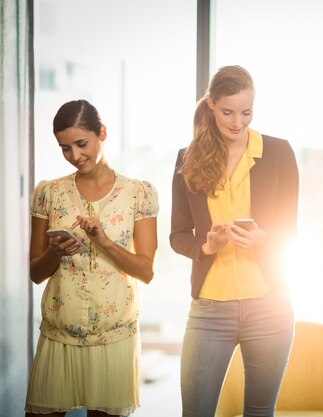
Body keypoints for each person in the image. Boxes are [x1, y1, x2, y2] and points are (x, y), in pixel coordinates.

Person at [170, 65, 299, 417]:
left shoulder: (278, 152)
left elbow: (291, 230)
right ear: (211, 105)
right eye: (228, 112)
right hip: (211, 308)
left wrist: (262, 238)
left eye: (246, 112)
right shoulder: (187, 158)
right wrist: (207, 247)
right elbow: (178, 235)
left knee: (259, 413)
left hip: (270, 306)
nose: (237, 122)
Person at [25, 100, 159, 417]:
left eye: (81, 144)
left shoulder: (138, 194)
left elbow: (146, 271)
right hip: (59, 337)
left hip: (115, 339)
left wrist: (104, 242)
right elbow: (34, 272)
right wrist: (54, 252)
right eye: (64, 148)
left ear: (102, 133)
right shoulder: (49, 193)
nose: (75, 156)